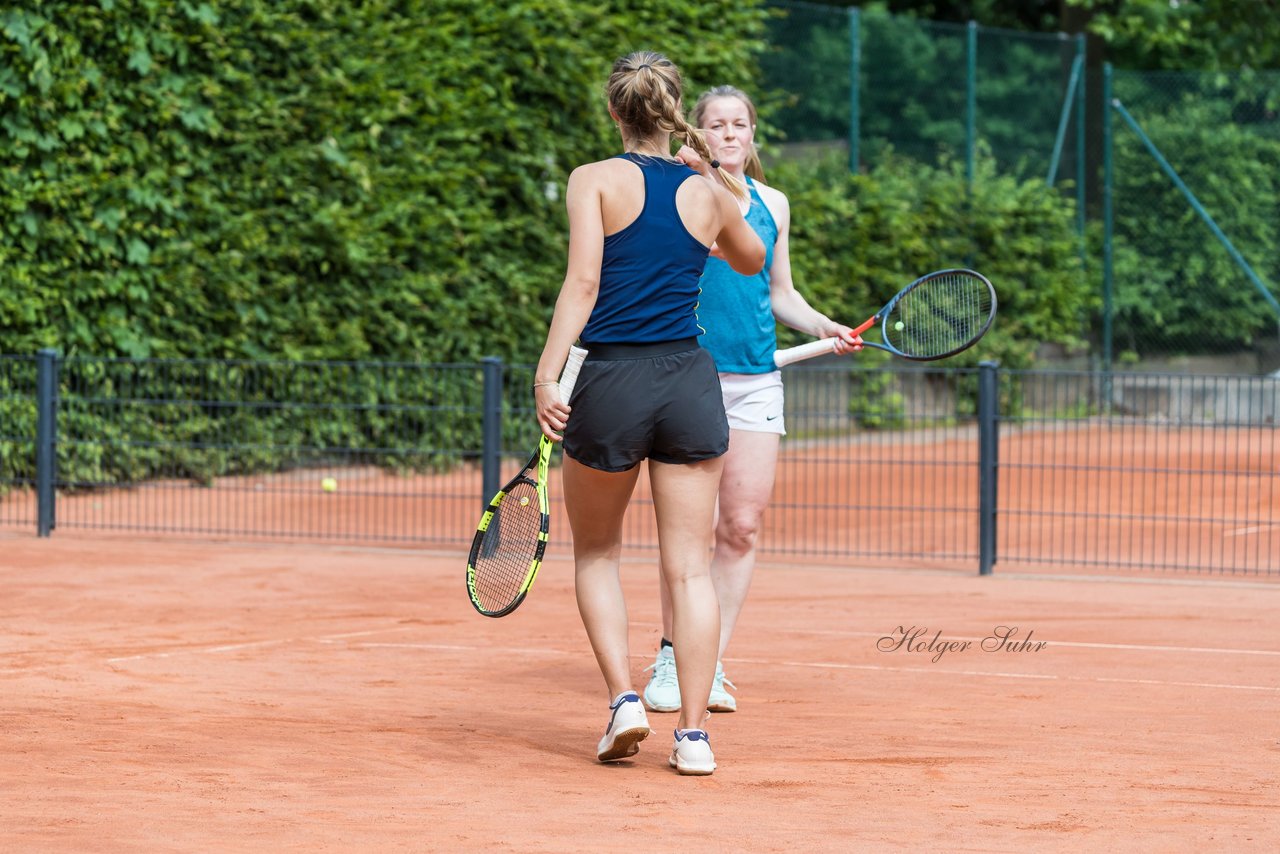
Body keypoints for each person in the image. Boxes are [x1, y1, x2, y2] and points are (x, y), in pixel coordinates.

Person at [533, 55, 766, 776]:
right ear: (675, 114)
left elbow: (583, 282)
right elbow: (752, 259)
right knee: (690, 572)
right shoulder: (707, 191)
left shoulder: (593, 180)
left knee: (599, 554)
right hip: (689, 382)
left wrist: (547, 373)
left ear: (615, 113)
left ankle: (624, 702)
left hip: (611, 379)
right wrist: (720, 180)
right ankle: (693, 737)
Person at [642, 85, 861, 715]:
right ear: (698, 133)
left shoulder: (775, 203)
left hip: (758, 384)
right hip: (688, 378)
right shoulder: (681, 195)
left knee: (739, 528)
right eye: (717, 124)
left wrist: (822, 325)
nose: (730, 134)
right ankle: (669, 657)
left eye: (740, 124)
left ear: (753, 134)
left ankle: (707, 666)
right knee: (692, 531)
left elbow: (780, 292)